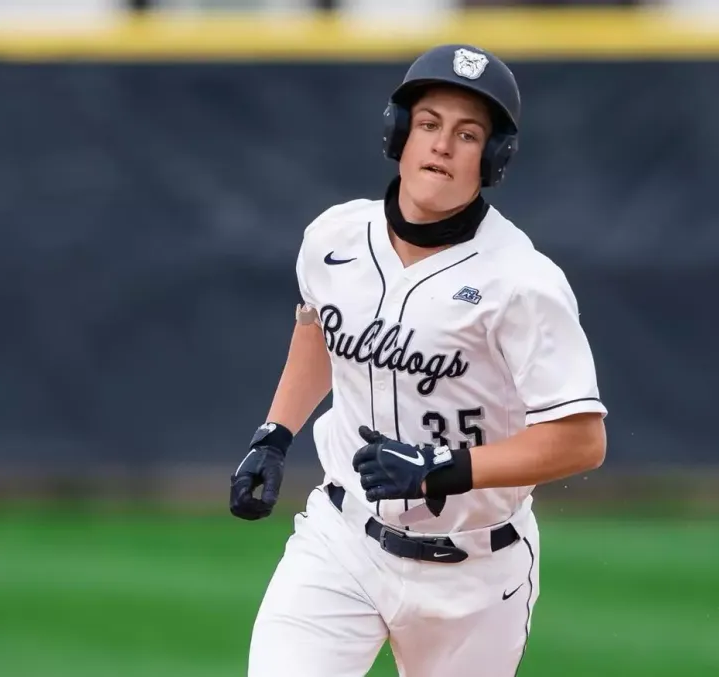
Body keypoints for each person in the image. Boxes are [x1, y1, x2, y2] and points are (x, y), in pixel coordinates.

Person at [229, 43, 608, 677]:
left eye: (467, 134)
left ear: (492, 159)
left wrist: (446, 468)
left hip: (476, 572)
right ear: (398, 134)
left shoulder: (522, 281)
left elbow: (581, 441)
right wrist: (274, 434)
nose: (441, 145)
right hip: (342, 538)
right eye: (428, 124)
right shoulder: (334, 239)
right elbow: (320, 327)